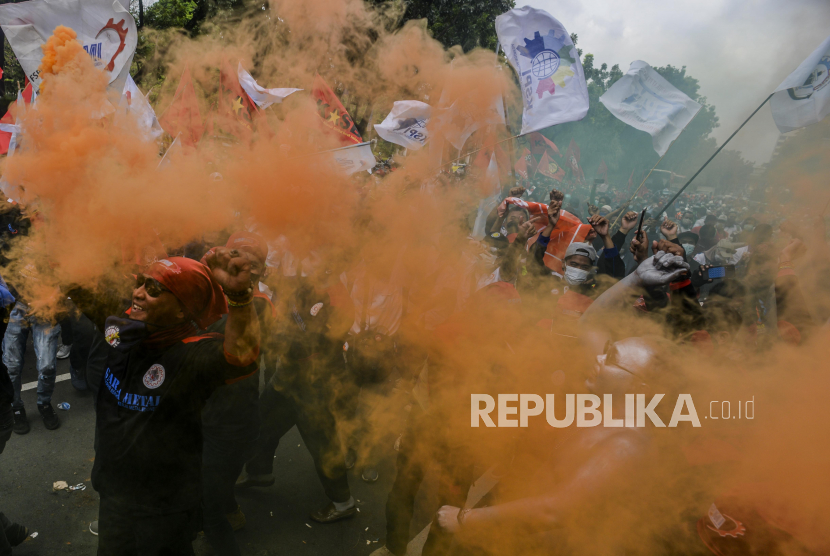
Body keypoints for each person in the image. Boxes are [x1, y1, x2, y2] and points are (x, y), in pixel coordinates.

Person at [75, 253, 260, 555]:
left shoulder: (192, 355)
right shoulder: (123, 329)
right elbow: (78, 288)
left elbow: (239, 357)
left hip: (162, 510)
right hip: (112, 495)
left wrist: (239, 296)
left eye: (155, 289)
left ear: (180, 312)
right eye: (142, 283)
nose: (138, 293)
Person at [199, 232, 276, 555]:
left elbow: (225, 341)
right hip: (206, 409)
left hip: (231, 419)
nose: (241, 266)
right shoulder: (215, 293)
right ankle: (231, 509)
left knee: (207, 505)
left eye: (251, 263)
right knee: (214, 480)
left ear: (260, 271)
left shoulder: (258, 304)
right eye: (234, 256)